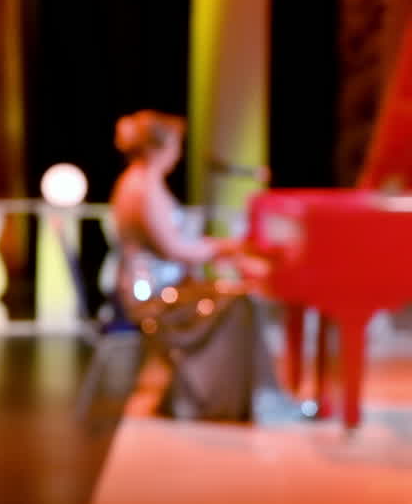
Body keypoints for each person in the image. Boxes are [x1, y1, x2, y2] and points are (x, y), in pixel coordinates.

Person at [109, 109, 304, 423]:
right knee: (240, 303)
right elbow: (174, 249)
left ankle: (244, 398)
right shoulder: (142, 187)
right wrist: (227, 247)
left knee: (240, 299)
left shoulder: (140, 182)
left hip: (158, 288)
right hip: (155, 297)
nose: (178, 153)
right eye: (175, 145)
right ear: (159, 148)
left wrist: (222, 248)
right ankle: (248, 401)